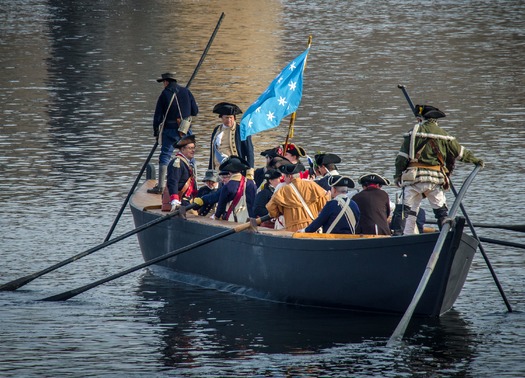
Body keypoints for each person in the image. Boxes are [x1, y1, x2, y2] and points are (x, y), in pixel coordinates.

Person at [394, 104, 484, 234]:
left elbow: (401, 158)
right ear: (435, 120)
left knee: (403, 210)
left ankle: (397, 235)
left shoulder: (413, 133)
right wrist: (477, 161)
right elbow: (461, 153)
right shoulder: (445, 135)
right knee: (441, 211)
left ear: (421, 118)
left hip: (414, 179)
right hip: (436, 180)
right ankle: (446, 236)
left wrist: (397, 176)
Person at [148, 72, 199, 194]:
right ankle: (194, 185)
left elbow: (158, 117)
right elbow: (195, 111)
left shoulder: (165, 94)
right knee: (190, 156)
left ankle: (160, 186)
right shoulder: (186, 91)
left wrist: (156, 131)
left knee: (165, 156)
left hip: (169, 130)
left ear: (166, 82)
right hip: (185, 129)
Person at [266, 163, 329, 232]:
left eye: (285, 177)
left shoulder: (282, 191)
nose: (284, 179)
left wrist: (281, 213)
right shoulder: (312, 185)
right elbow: (324, 203)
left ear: (289, 176)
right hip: (312, 227)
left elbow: (271, 208)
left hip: (293, 230)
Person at [208, 102, 254, 171]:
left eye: (231, 118)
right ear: (221, 117)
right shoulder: (216, 130)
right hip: (218, 169)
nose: (229, 120)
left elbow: (249, 152)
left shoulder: (241, 130)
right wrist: (210, 170)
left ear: (234, 118)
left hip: (235, 169)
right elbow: (212, 152)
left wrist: (250, 170)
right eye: (226, 117)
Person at [213, 156, 257, 222]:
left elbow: (221, 206)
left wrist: (216, 217)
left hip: (234, 220)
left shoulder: (227, 186)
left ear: (229, 171)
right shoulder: (251, 183)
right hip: (251, 220)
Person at [164, 135, 198, 211]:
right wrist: (174, 199)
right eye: (190, 148)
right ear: (182, 149)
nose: (193, 150)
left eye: (193, 148)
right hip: (182, 201)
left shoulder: (186, 162)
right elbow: (173, 181)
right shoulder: (177, 163)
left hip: (189, 199)